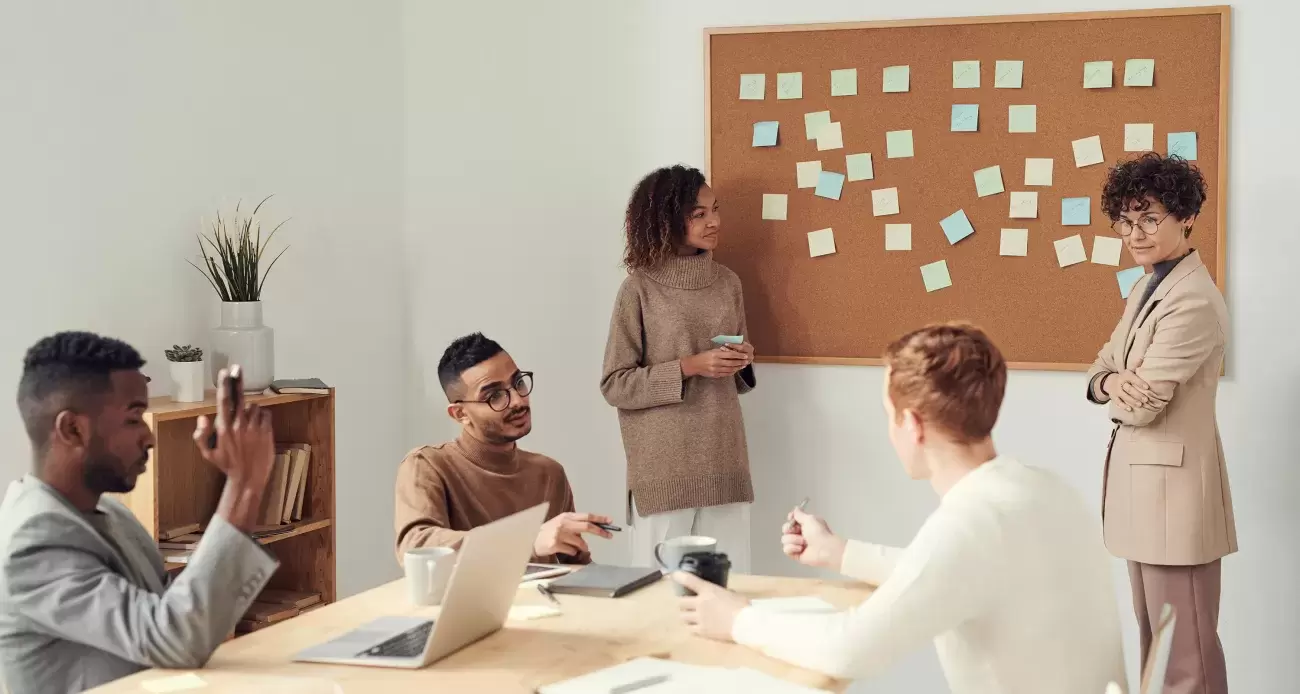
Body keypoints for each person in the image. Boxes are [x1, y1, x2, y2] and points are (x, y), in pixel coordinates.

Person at [673, 323, 1126, 694]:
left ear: (912, 425)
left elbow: (850, 649)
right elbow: (947, 574)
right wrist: (839, 553)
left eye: (888, 415)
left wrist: (738, 620)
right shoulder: (1040, 488)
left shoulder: (971, 523)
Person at [0, 332, 280, 694]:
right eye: (134, 419)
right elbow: (175, 638)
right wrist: (243, 484)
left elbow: (177, 616)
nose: (149, 438)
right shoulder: (33, 542)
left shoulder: (111, 514)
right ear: (73, 429)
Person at [1085, 152, 1233, 694]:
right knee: (1159, 652)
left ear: (1185, 216)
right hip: (1146, 497)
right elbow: (1100, 368)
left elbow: (1142, 403)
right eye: (1125, 221)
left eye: (1150, 219)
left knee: (1185, 659)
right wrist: (1110, 381)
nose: (1135, 233)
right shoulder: (1145, 287)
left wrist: (1117, 386)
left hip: (1174, 501)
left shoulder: (1191, 299)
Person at [600, 164, 757, 572]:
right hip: (664, 471)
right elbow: (616, 385)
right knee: (659, 595)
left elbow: (735, 379)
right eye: (698, 213)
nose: (714, 221)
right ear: (665, 218)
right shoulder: (639, 288)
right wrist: (690, 365)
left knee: (732, 588)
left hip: (724, 459)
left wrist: (740, 361)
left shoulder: (727, 282)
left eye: (715, 210)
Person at [395, 332, 611, 564]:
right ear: (460, 414)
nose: (518, 400)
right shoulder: (426, 465)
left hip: (543, 601)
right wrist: (525, 541)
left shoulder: (549, 473)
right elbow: (416, 546)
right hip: (470, 602)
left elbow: (577, 572)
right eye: (495, 396)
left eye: (518, 383)